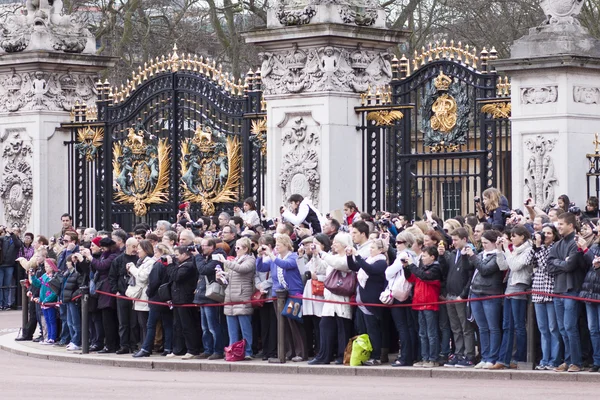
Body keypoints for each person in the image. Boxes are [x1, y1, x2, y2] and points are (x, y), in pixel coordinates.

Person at [548, 212, 588, 372]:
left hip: (572, 289)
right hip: (558, 290)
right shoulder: (557, 245)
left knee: (570, 327)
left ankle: (576, 362)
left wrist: (559, 264)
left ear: (571, 225)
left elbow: (570, 265)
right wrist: (561, 263)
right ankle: (568, 359)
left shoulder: (575, 243)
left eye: (561, 224)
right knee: (562, 328)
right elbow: (549, 266)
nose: (558, 226)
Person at [256, 234, 306, 361]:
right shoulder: (275, 258)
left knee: (294, 323)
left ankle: (300, 353)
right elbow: (261, 268)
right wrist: (260, 256)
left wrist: (271, 255)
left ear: (286, 245)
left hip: (293, 293)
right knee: (283, 325)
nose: (276, 247)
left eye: (278, 245)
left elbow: (286, 265)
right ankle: (288, 352)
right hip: (278, 294)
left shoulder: (293, 257)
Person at [309, 232, 354, 365]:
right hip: (329, 298)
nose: (333, 244)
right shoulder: (331, 257)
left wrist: (322, 253)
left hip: (341, 298)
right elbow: (322, 268)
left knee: (342, 328)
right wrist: (316, 255)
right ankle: (324, 355)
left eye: (336, 242)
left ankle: (342, 355)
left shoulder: (347, 258)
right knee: (325, 326)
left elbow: (338, 264)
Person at [492, 225, 534, 369]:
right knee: (507, 326)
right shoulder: (514, 251)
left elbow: (516, 266)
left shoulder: (528, 250)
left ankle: (519, 358)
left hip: (519, 289)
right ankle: (503, 359)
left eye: (514, 236)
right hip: (509, 290)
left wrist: (506, 250)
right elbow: (504, 266)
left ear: (522, 236)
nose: (512, 239)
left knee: (519, 326)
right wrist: (499, 251)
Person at [438, 228, 476, 367]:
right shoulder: (453, 254)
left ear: (464, 239)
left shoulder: (470, 253)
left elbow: (469, 275)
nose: (453, 243)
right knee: (455, 328)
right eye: (452, 240)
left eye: (455, 240)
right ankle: (459, 354)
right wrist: (441, 257)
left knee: (465, 327)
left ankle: (469, 355)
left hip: (461, 296)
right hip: (451, 295)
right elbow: (445, 271)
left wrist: (463, 294)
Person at [346, 238, 387, 366]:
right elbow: (354, 266)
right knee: (363, 330)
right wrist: (349, 256)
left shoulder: (381, 262)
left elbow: (369, 269)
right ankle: (366, 353)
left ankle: (376, 356)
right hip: (361, 302)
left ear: (380, 250)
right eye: (370, 247)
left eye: (373, 248)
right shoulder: (369, 260)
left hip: (371, 302)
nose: (370, 250)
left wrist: (357, 255)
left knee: (373, 330)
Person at [468, 230, 505, 369]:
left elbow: (485, 270)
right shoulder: (480, 254)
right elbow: (471, 269)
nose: (484, 246)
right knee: (482, 327)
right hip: (476, 292)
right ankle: (484, 356)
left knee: (493, 327)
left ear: (494, 243)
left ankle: (492, 357)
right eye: (482, 243)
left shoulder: (497, 255)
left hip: (491, 293)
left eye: (486, 243)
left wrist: (472, 257)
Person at [402, 246, 442, 368]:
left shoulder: (435, 268)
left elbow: (425, 276)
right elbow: (411, 278)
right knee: (422, 333)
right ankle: (425, 358)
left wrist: (412, 265)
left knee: (431, 333)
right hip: (419, 304)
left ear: (432, 257)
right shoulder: (421, 269)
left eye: (424, 256)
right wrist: (406, 268)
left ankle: (433, 358)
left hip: (430, 304)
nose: (423, 258)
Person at [218, 237, 256, 359]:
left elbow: (242, 269)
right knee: (232, 330)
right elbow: (231, 276)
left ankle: (248, 351)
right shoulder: (235, 260)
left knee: (245, 328)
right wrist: (222, 276)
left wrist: (225, 262)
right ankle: (232, 351)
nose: (236, 249)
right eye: (236, 247)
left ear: (245, 248)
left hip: (242, 296)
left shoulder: (250, 259)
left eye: (238, 247)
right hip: (230, 297)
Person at [133, 244, 175, 358]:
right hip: (167, 298)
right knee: (167, 324)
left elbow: (154, 282)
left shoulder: (158, 265)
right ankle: (168, 347)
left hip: (156, 298)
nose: (154, 254)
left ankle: (146, 348)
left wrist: (149, 293)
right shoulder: (171, 264)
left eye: (156, 252)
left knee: (151, 324)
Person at [530, 224, 561, 370]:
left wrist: (538, 248)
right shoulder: (539, 247)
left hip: (550, 290)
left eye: (549, 233)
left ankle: (554, 360)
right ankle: (544, 359)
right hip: (537, 290)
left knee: (553, 328)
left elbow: (546, 266)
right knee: (543, 328)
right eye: (544, 233)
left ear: (554, 235)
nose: (545, 236)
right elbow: (531, 263)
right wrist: (535, 247)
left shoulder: (555, 248)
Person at [84, 237, 121, 353]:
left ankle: (111, 345)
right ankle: (108, 344)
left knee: (109, 320)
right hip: (102, 289)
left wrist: (90, 257)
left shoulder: (114, 256)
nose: (102, 250)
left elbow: (102, 266)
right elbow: (96, 267)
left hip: (108, 290)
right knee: (105, 320)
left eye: (104, 248)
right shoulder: (105, 254)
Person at [388, 231, 419, 367]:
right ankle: (411, 355)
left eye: (399, 243)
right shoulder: (414, 255)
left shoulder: (403, 255)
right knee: (409, 326)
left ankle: (406, 356)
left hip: (400, 294)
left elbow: (388, 273)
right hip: (409, 294)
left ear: (406, 243)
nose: (396, 245)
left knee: (403, 327)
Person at [194, 238, 227, 360]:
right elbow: (198, 268)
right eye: (201, 246)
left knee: (214, 326)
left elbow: (205, 270)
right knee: (205, 327)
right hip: (203, 295)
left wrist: (197, 256)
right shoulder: (204, 257)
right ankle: (208, 349)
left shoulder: (217, 256)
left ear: (212, 246)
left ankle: (218, 350)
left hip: (212, 297)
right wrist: (197, 256)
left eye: (204, 246)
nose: (202, 248)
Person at [299, 233, 331, 358]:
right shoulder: (312, 257)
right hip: (309, 292)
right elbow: (303, 271)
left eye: (316, 244)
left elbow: (324, 270)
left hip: (319, 293)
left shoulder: (327, 257)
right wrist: (301, 257)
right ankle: (312, 350)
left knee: (320, 325)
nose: (313, 246)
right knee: (311, 324)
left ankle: (320, 350)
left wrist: (317, 255)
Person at [109, 237, 139, 354]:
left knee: (134, 322)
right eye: (133, 247)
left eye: (137, 247)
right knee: (123, 322)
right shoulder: (118, 260)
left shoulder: (138, 259)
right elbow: (112, 277)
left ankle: (134, 344)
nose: (135, 249)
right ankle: (124, 345)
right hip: (121, 293)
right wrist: (115, 291)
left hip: (134, 294)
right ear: (127, 246)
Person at [170, 246, 201, 360]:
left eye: (177, 255)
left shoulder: (189, 265)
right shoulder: (179, 265)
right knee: (177, 326)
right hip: (177, 298)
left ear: (185, 254)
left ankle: (192, 349)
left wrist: (170, 265)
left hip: (185, 299)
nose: (176, 257)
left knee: (188, 325)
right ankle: (178, 349)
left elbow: (175, 277)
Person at [126, 240, 155, 347]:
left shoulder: (150, 262)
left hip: (144, 297)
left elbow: (143, 277)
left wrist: (132, 268)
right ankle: (144, 345)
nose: (137, 251)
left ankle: (146, 346)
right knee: (141, 324)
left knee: (145, 324)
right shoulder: (142, 262)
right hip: (139, 297)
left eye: (140, 249)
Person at [254, 235, 276, 360]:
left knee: (273, 324)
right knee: (264, 324)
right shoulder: (260, 258)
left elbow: (275, 275)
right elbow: (256, 272)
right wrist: (259, 286)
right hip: (261, 294)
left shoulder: (274, 257)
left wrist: (264, 285)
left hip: (271, 293)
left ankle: (272, 349)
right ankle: (265, 349)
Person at [580, 234, 600, 372]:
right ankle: (597, 360)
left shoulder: (590, 248)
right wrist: (583, 251)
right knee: (593, 329)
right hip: (589, 291)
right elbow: (586, 265)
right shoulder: (595, 246)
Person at [58, 254, 85, 351]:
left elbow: (80, 286)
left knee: (75, 322)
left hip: (73, 300)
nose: (67, 263)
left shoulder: (77, 273)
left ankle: (77, 341)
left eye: (68, 261)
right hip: (67, 300)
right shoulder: (67, 273)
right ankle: (73, 340)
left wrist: (73, 297)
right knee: (70, 322)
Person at [29, 259, 59, 344]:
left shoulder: (54, 277)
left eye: (48, 266)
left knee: (52, 320)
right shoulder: (44, 275)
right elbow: (37, 283)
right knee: (46, 320)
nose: (46, 268)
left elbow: (55, 292)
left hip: (50, 302)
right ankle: (47, 337)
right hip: (43, 302)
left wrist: (46, 300)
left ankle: (52, 337)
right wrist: (33, 276)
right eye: (45, 266)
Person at [0, 226, 23, 310]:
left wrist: (12, 233)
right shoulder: (5, 239)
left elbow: (17, 244)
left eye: (16, 231)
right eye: (13, 230)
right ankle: (0, 303)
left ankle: (6, 304)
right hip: (1, 265)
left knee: (6, 285)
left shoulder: (18, 241)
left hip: (10, 265)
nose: (13, 231)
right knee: (0, 285)